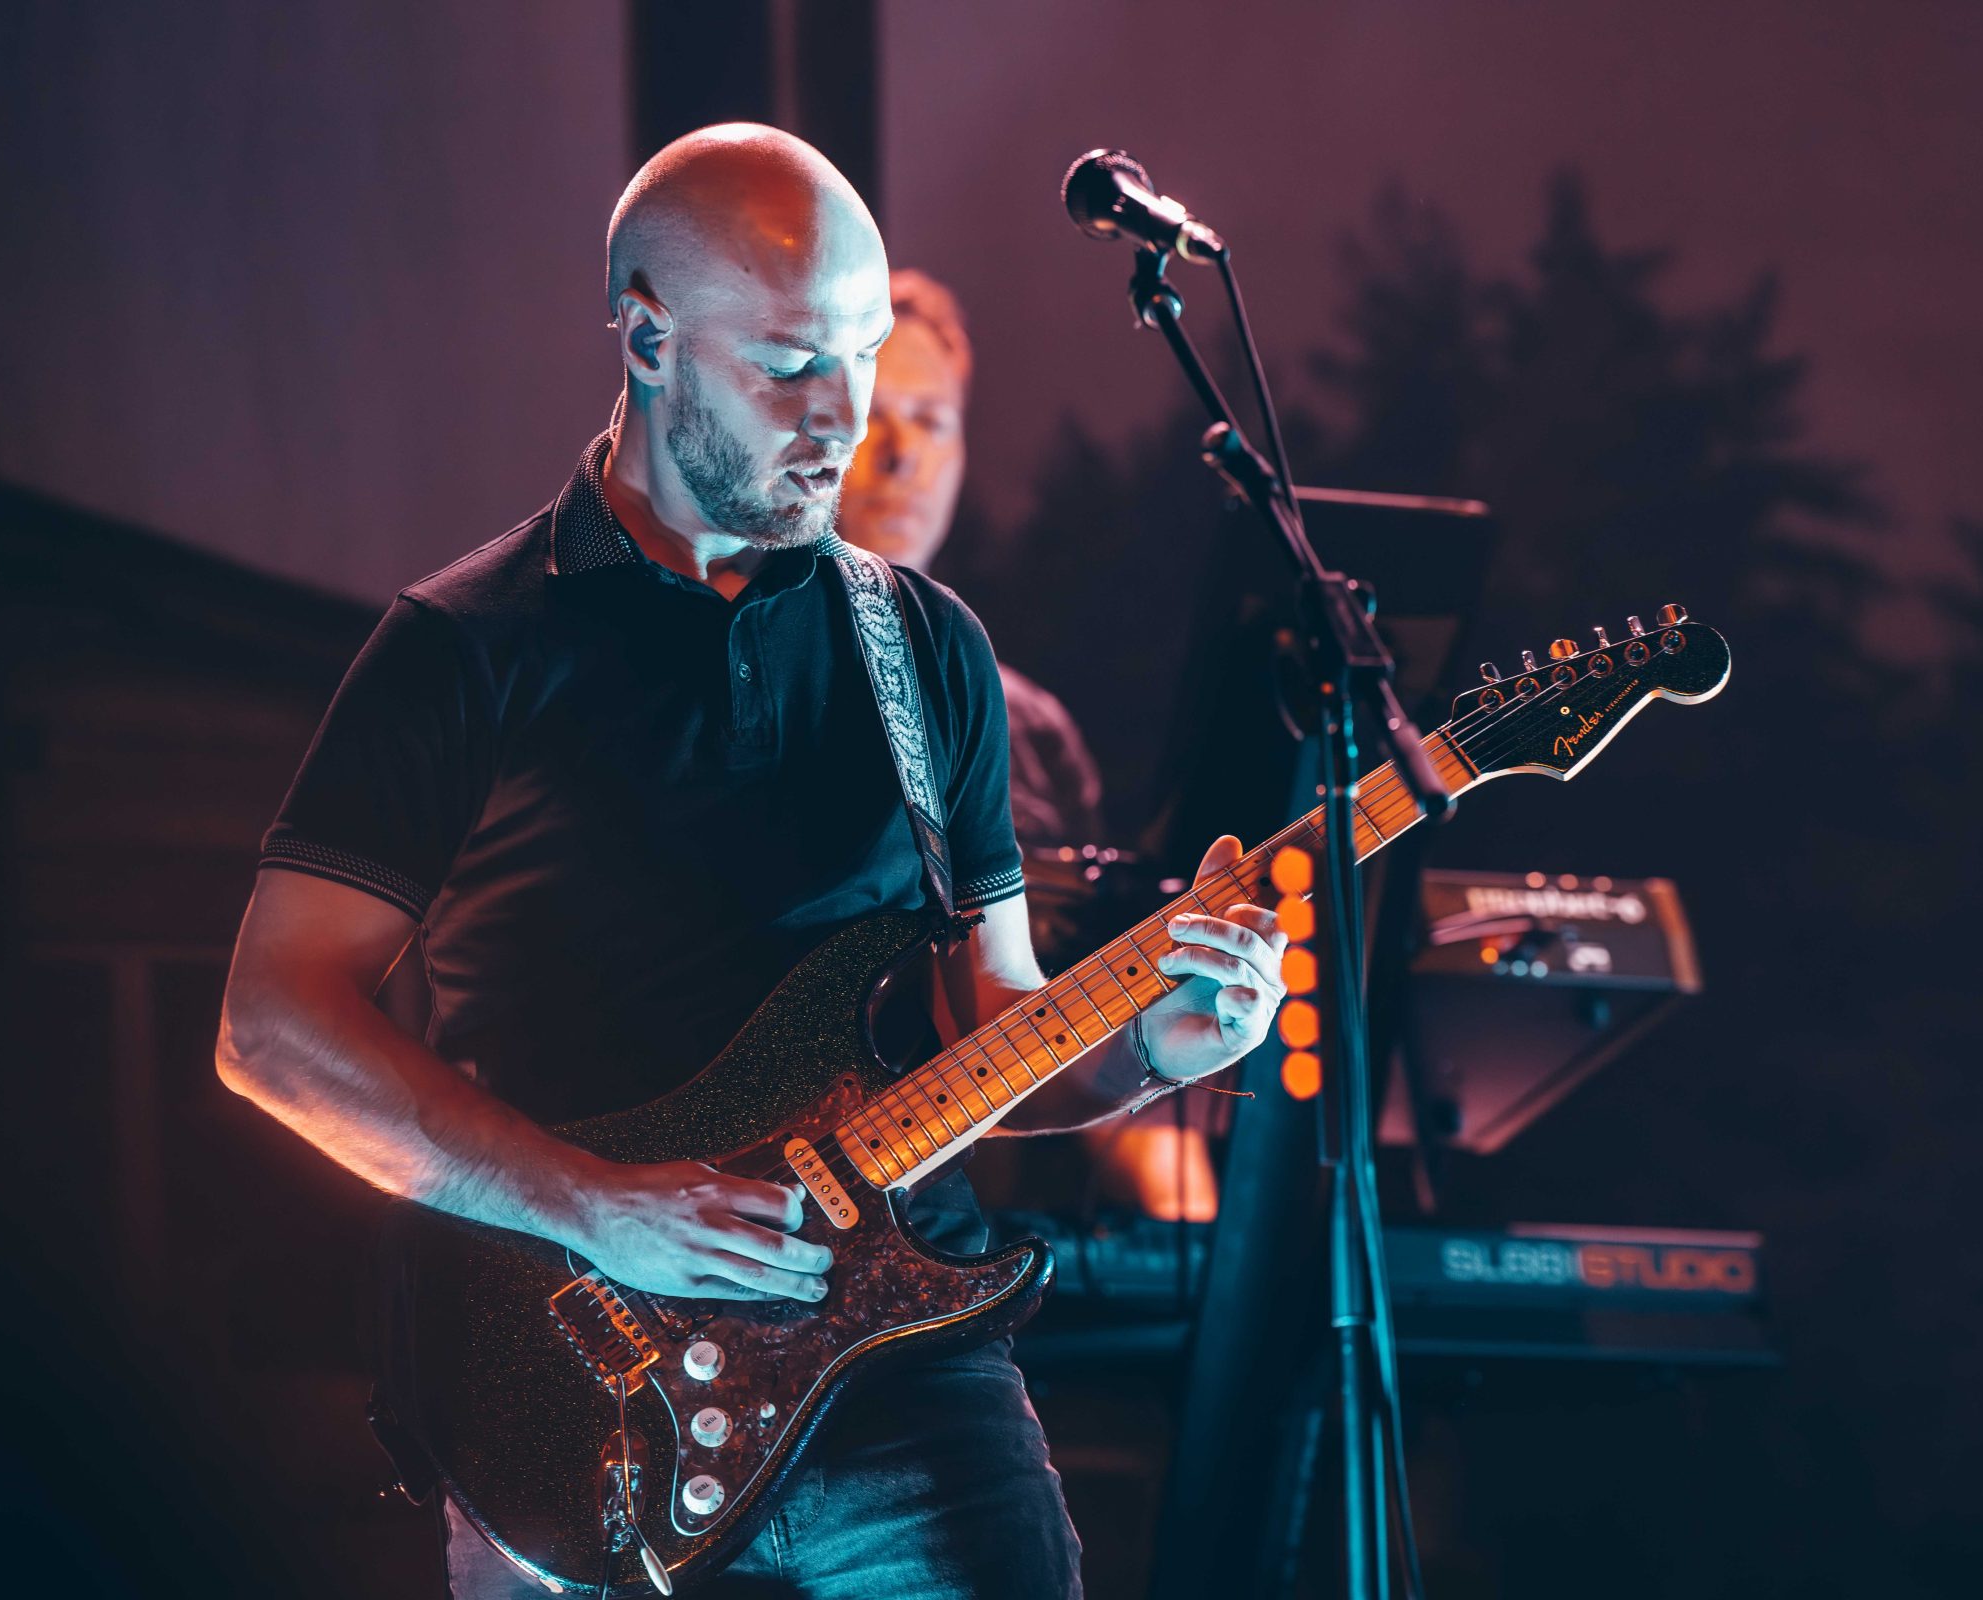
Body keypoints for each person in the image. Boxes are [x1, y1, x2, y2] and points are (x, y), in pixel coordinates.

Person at [212, 125, 1285, 1599]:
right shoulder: (464, 649)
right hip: (579, 1394)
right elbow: (272, 1029)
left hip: (910, 1384)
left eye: (860, 354)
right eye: (789, 365)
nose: (840, 417)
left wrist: (1160, 1048)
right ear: (647, 340)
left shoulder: (929, 650)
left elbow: (997, 1029)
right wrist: (594, 1203)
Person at [837, 268, 1220, 1223]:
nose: (901, 458)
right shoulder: (744, 685)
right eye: (877, 417)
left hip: (996, 1243)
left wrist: (1195, 1224)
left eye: (932, 422)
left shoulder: (1029, 729)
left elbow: (1055, 1017)